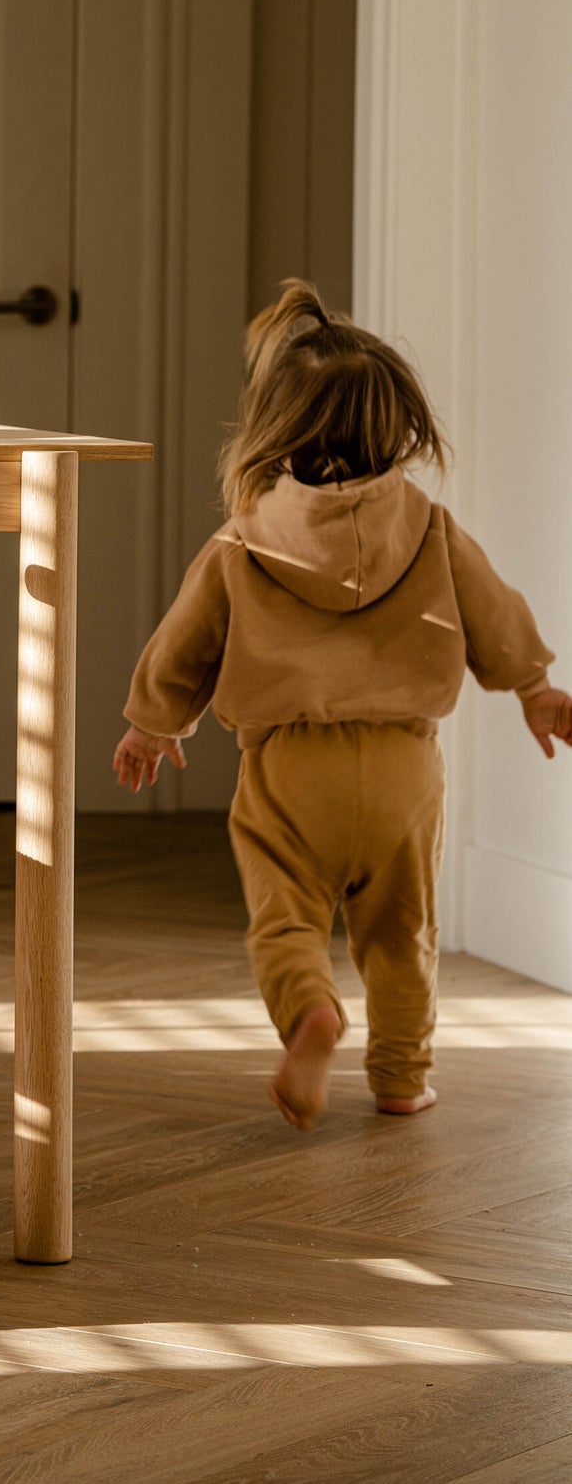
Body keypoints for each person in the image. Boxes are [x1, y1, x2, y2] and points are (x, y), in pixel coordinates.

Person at [113, 280, 572, 1128]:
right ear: (397, 426)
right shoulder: (430, 527)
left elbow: (185, 643)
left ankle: (310, 1011)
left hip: (289, 769)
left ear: (273, 429)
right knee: (402, 931)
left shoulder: (243, 538)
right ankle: (400, 1076)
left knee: (283, 917)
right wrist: (535, 687)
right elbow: (494, 612)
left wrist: (152, 723)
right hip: (402, 767)